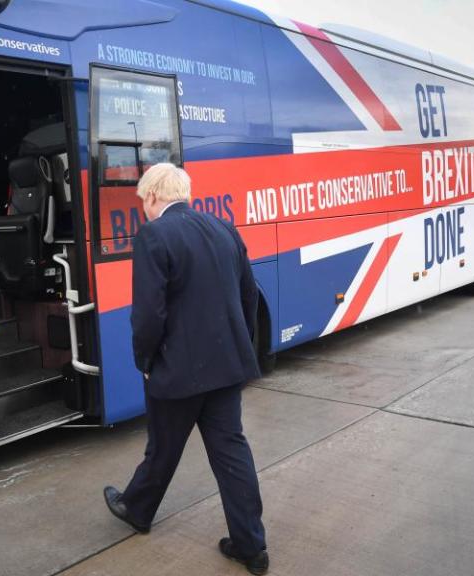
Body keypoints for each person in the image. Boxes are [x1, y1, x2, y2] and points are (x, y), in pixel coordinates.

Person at [103, 163, 269, 575]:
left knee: (162, 448)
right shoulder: (223, 228)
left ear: (154, 196)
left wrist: (145, 361)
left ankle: (137, 509)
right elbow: (249, 295)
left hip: (177, 371)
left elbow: (148, 314)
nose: (143, 208)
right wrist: (241, 350)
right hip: (226, 367)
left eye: (143, 200)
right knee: (232, 454)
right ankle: (251, 546)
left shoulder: (154, 234)